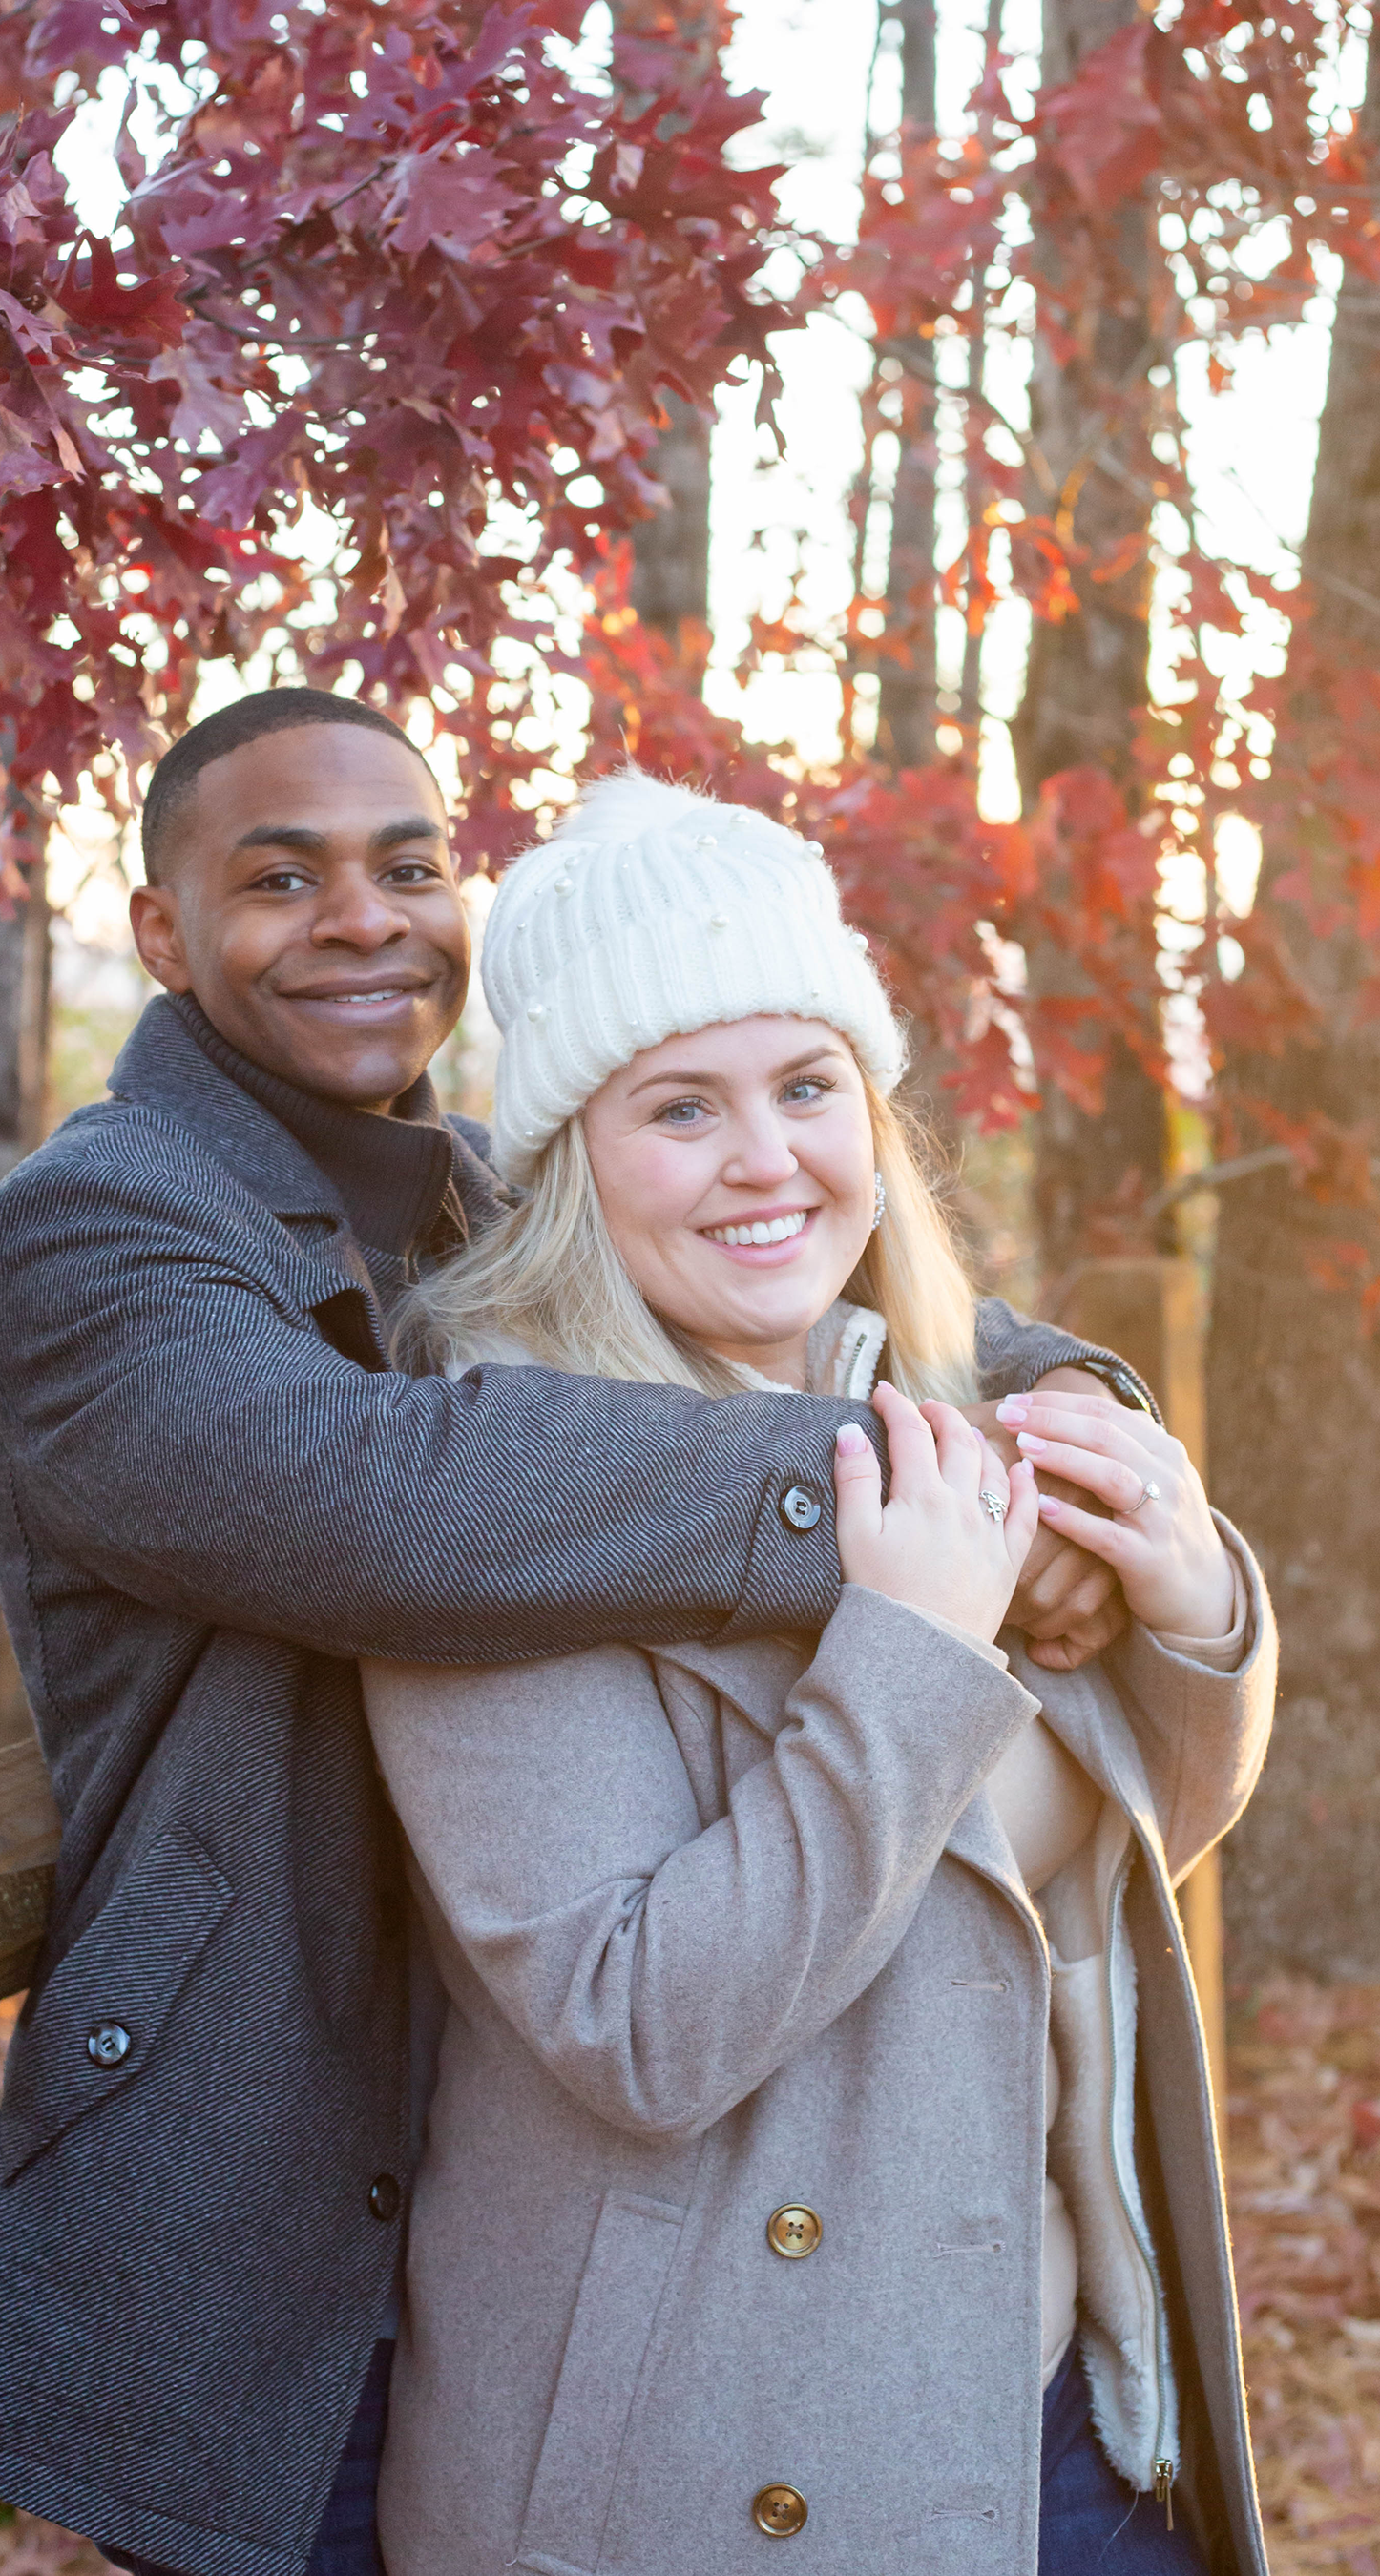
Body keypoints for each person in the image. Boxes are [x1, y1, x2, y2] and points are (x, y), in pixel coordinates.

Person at [0, 693, 1156, 2576]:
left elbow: (878, 1271)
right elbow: (363, 1496)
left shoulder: (479, 1176)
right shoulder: (94, 1228)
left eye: (407, 866)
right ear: (157, 931)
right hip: (280, 2147)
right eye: (278, 878)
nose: (361, 918)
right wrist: (884, 1495)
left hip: (513, 2115)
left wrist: (1080, 1433)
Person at [363, 771, 1276, 2576]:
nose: (767, 1157)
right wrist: (912, 1653)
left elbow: (1096, 1864)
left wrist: (1193, 1611)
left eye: (807, 1087)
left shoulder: (921, 1408)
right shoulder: (491, 1498)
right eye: (679, 1109)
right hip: (720, 2454)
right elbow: (638, 2030)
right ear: (566, 1160)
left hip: (1056, 2402)